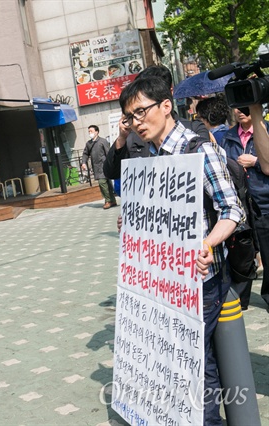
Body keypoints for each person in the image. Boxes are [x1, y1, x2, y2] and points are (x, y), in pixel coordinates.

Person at [118, 76, 244, 425]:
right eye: (130, 117)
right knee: (176, 367)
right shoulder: (150, 158)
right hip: (165, 285)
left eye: (141, 112)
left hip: (202, 283)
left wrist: (207, 244)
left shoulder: (198, 150)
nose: (136, 123)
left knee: (195, 371)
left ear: (166, 106)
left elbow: (232, 209)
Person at [103, 65, 210, 180]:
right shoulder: (133, 136)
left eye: (141, 111)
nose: (136, 122)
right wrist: (121, 138)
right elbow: (111, 173)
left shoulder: (194, 135)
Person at [220, 104, 269, 312]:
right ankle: (241, 298)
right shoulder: (228, 137)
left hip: (264, 201)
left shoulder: (266, 130)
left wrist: (256, 161)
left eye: (245, 108)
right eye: (236, 108)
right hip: (241, 204)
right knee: (244, 253)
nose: (240, 111)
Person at [81, 125, 116, 209]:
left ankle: (108, 201)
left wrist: (111, 164)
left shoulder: (102, 141)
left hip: (104, 166)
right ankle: (112, 200)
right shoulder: (89, 143)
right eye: (89, 131)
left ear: (97, 132)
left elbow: (108, 152)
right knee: (107, 183)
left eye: (91, 131)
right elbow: (85, 153)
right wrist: (83, 162)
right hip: (96, 167)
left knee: (102, 183)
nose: (90, 133)